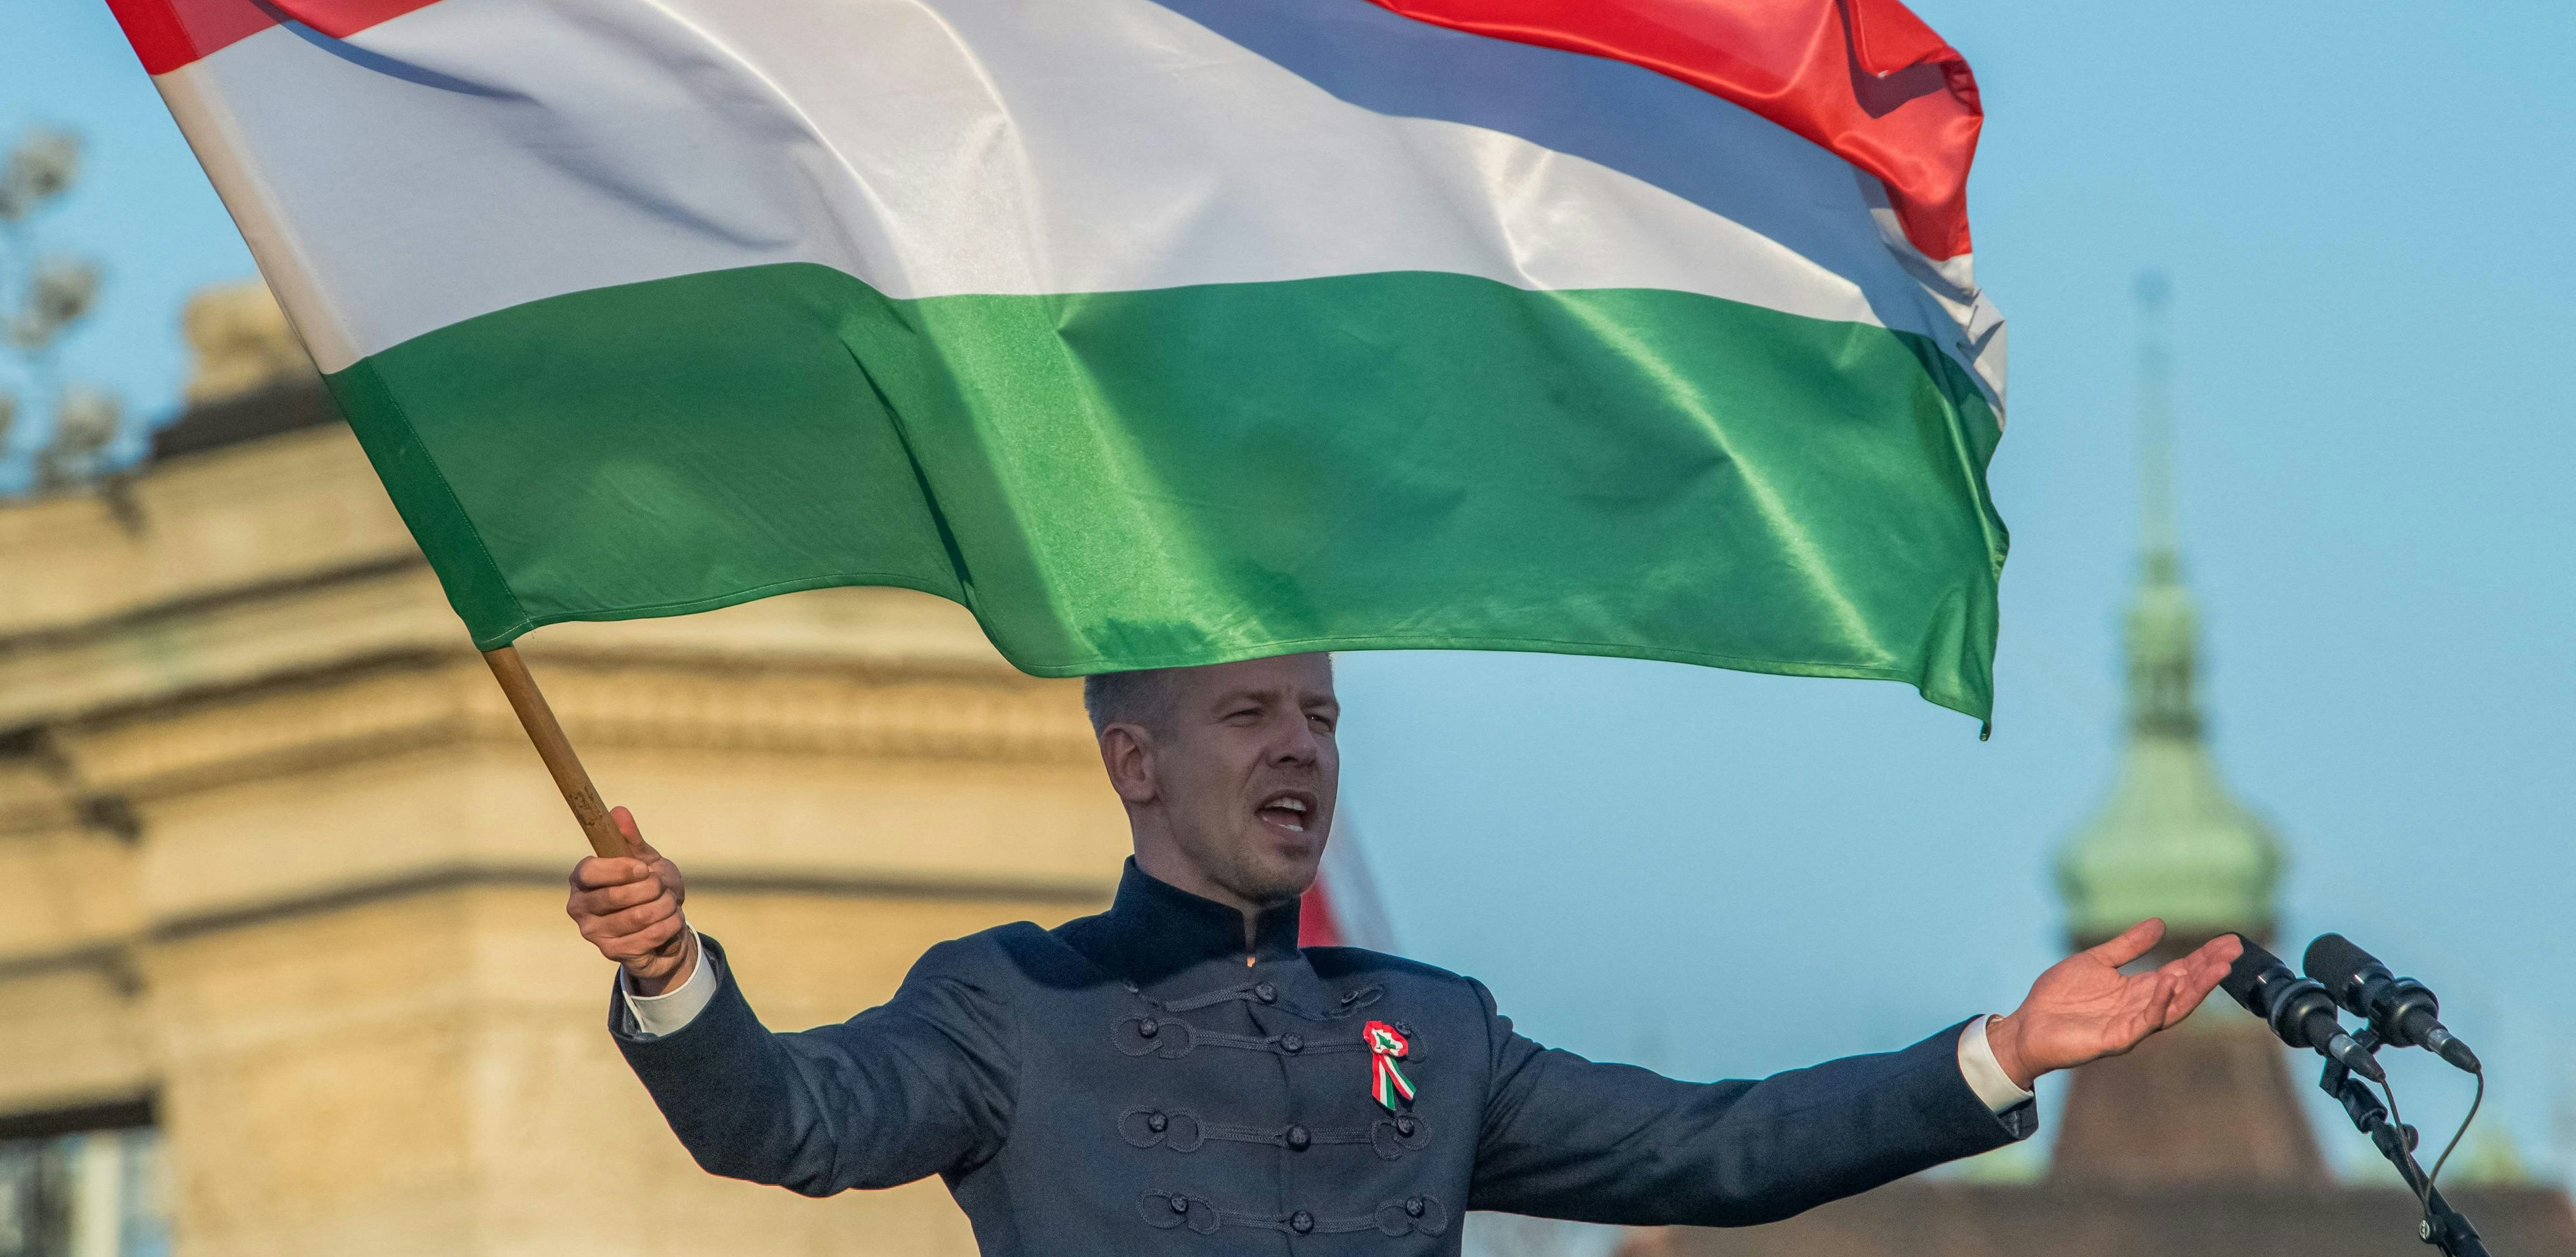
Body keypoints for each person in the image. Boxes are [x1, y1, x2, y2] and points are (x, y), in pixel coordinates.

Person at [568, 654, 2239, 1253]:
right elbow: (784, 1123)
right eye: (1246, 716)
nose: (1297, 748)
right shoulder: (1011, 1003)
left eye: (1320, 715)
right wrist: (672, 977)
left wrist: (2000, 1055)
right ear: (1132, 762)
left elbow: (1713, 1151)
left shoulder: (1427, 1028)